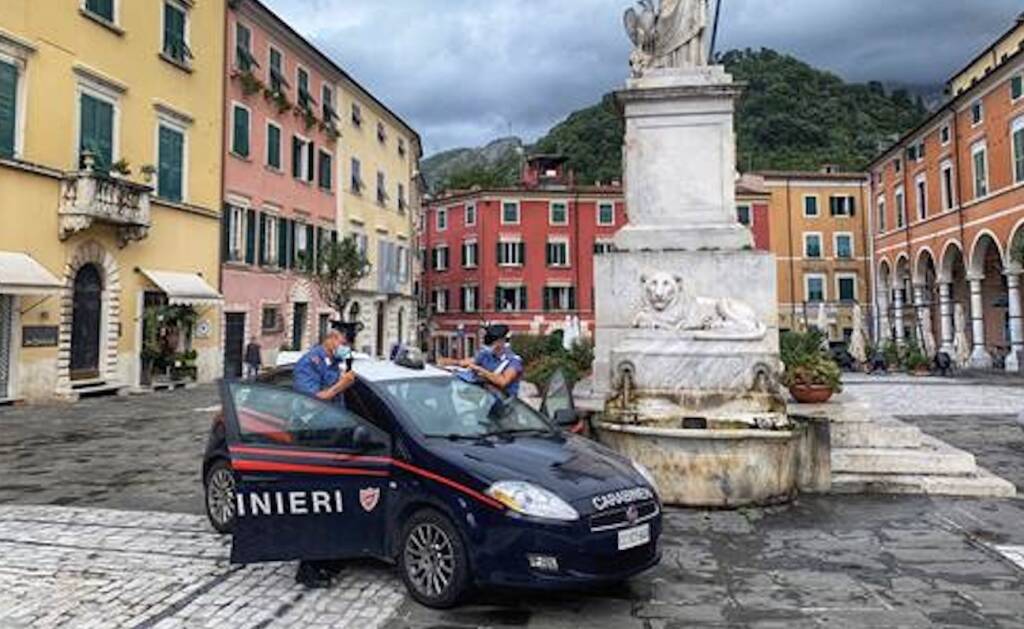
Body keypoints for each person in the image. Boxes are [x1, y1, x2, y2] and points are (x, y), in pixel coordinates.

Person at [291, 324, 357, 588]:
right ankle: (307, 568)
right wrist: (342, 385)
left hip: (333, 438)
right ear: (331, 338)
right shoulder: (310, 363)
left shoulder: (334, 363)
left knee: (331, 503)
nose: (346, 347)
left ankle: (327, 560)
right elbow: (314, 401)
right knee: (315, 504)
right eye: (343, 341)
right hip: (311, 440)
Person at [441, 324, 524, 398]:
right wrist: (448, 362)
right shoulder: (486, 355)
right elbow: (465, 363)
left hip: (505, 405)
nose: (489, 347)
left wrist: (481, 371)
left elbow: (503, 381)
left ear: (501, 342)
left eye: (492, 343)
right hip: (486, 402)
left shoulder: (513, 361)